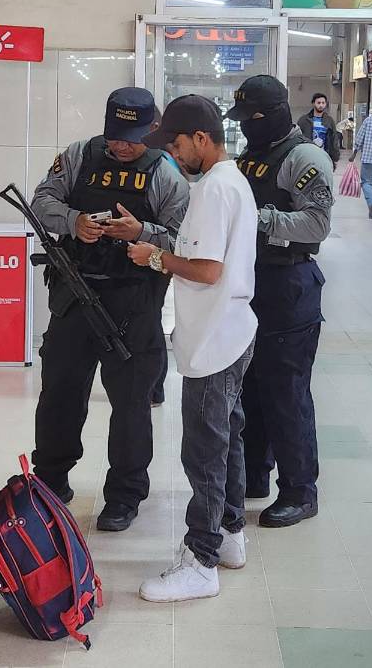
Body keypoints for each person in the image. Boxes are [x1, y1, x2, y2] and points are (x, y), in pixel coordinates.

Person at [30, 87, 189, 533]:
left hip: (133, 305)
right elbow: (43, 201)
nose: (123, 144)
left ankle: (124, 494)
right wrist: (74, 222)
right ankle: (51, 480)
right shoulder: (78, 155)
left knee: (132, 404)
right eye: (116, 134)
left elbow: (186, 241)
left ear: (152, 129)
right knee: (59, 394)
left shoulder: (166, 173)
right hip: (73, 298)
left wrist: (142, 231)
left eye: (133, 136)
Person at [129, 94, 256, 602]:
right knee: (228, 438)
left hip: (214, 339)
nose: (175, 155)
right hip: (232, 330)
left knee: (204, 451)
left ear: (202, 139)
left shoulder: (213, 191)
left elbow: (207, 269)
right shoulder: (231, 183)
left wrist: (155, 257)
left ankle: (201, 560)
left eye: (178, 145)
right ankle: (229, 536)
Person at [229, 76, 333, 528]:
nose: (245, 130)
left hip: (290, 284)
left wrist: (257, 218)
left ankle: (299, 490)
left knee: (286, 392)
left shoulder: (305, 157)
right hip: (252, 284)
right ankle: (255, 475)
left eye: (250, 120)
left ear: (269, 116)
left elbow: (316, 224)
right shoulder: (250, 156)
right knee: (251, 386)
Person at [149, 107, 179, 409]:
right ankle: (153, 388)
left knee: (150, 321)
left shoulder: (161, 162)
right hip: (154, 254)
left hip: (156, 255)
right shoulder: (164, 158)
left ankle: (155, 389)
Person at [296, 93, 340, 167]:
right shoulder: (304, 120)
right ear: (313, 103)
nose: (321, 105)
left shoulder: (329, 120)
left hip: (324, 156)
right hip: (308, 156)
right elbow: (297, 137)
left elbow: (334, 138)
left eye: (323, 103)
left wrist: (335, 155)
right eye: (318, 103)